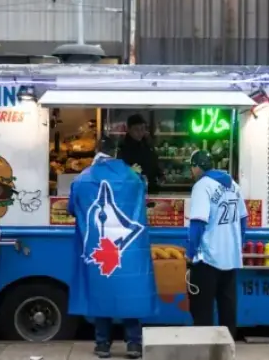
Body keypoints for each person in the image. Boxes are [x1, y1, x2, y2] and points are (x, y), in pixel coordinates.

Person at [67, 136, 158, 359]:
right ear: (116, 152)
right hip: (127, 250)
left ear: (96, 150)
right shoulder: (133, 177)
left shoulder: (82, 178)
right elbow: (142, 201)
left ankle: (102, 345)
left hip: (99, 247)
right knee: (129, 291)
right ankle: (134, 344)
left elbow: (72, 208)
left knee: (102, 290)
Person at [185, 150, 247, 340]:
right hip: (231, 257)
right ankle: (227, 347)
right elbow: (244, 219)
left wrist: (190, 252)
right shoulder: (233, 185)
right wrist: (238, 244)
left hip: (208, 259)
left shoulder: (202, 186)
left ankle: (204, 348)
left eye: (192, 167)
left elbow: (197, 223)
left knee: (202, 308)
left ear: (196, 167)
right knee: (227, 308)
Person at [117, 114, 163, 194]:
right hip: (134, 190)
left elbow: (153, 160)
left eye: (142, 129)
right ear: (129, 129)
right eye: (136, 129)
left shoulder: (147, 143)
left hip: (152, 188)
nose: (140, 132)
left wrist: (159, 174)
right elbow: (121, 171)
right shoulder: (123, 147)